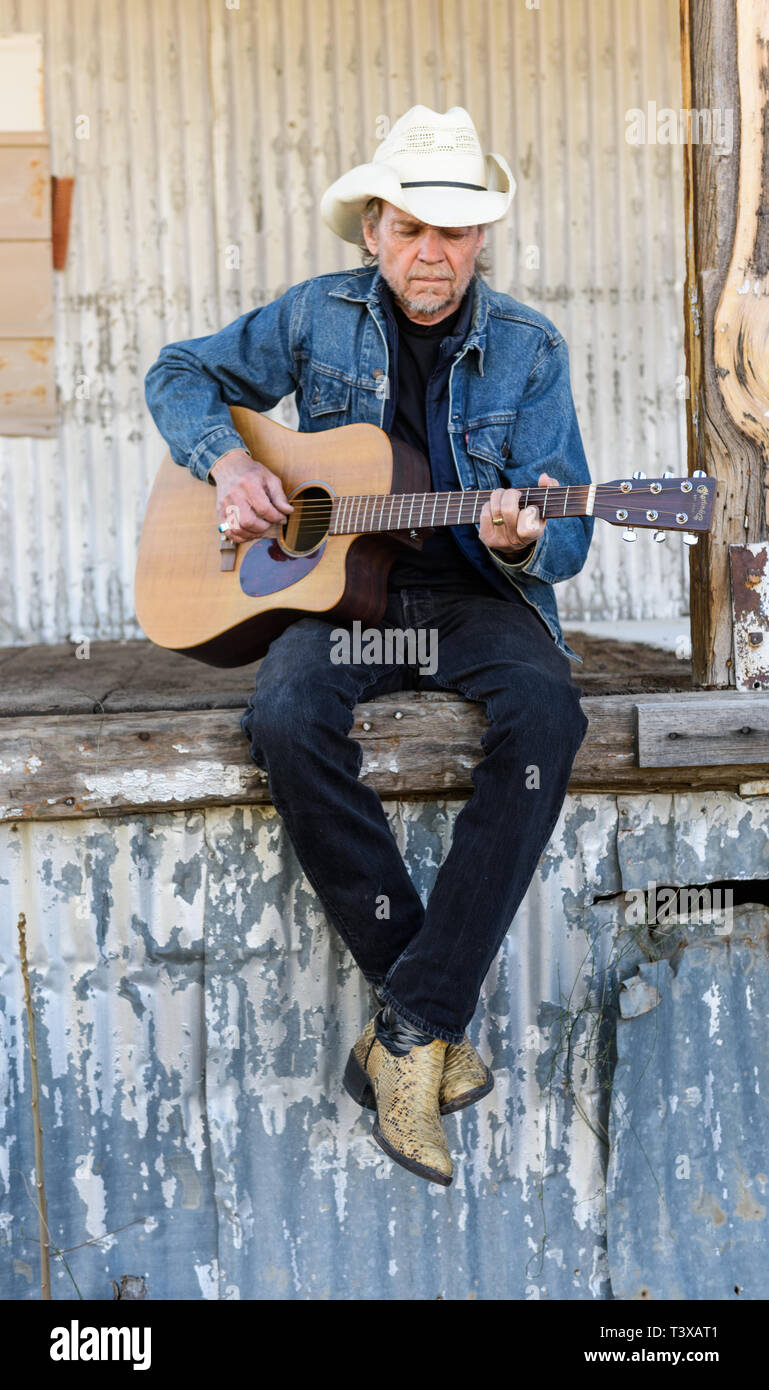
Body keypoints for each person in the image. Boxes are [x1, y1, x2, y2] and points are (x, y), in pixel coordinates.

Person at [144, 105, 593, 1188]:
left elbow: (569, 532)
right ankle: (422, 1021)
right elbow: (176, 373)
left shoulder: (529, 349)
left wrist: (528, 531)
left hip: (475, 596)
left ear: (480, 239)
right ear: (372, 233)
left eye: (453, 231)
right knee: (285, 715)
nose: (430, 254)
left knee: (550, 713)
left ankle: (404, 1028)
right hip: (346, 599)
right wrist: (228, 466)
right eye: (409, 229)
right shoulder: (314, 317)